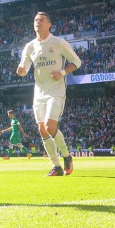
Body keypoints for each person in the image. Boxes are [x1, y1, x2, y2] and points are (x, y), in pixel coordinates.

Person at [17, 12, 82, 177]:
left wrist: (62, 72)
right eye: (35, 20)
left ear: (49, 24)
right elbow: (24, 68)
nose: (37, 22)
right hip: (39, 92)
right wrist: (21, 70)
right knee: (42, 129)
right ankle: (56, 167)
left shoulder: (58, 43)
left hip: (56, 90)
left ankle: (66, 155)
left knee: (49, 126)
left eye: (41, 20)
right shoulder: (30, 46)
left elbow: (77, 62)